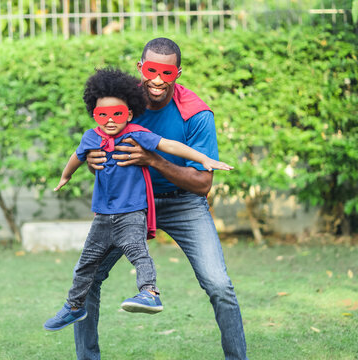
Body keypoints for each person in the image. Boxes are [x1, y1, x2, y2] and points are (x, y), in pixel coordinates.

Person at [75, 38, 249, 360]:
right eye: (151, 70)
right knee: (87, 279)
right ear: (140, 68)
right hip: (131, 203)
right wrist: (92, 161)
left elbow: (202, 184)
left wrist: (152, 159)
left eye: (166, 73)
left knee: (220, 286)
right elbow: (102, 152)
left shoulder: (195, 113)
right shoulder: (122, 105)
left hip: (184, 202)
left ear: (177, 74)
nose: (157, 80)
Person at [43, 67, 233, 332]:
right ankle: (73, 307)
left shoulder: (151, 126)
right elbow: (79, 156)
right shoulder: (95, 133)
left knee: (212, 281)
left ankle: (149, 293)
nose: (156, 79)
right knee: (87, 270)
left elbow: (171, 147)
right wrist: (70, 174)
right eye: (103, 115)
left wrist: (204, 159)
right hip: (108, 213)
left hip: (151, 207)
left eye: (117, 115)